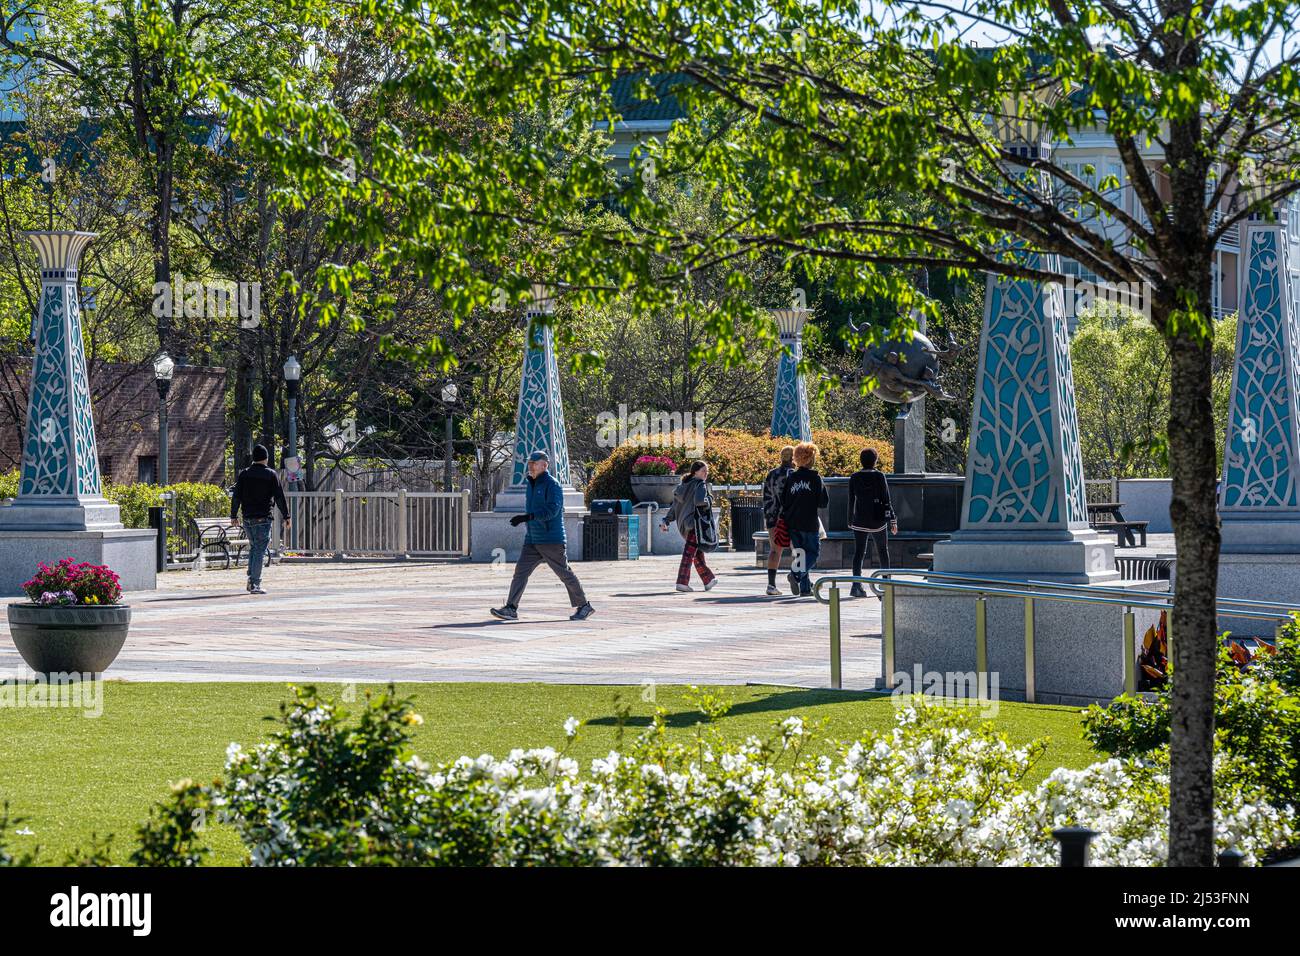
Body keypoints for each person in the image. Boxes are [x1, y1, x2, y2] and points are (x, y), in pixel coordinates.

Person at [491, 451, 595, 621]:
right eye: (529, 463)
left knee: (564, 573)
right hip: (532, 538)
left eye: (534, 463)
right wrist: (528, 521)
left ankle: (584, 606)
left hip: (550, 539)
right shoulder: (531, 484)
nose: (530, 466)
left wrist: (527, 517)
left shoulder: (552, 484)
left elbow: (552, 510)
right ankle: (511, 608)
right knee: (520, 572)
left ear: (545, 465)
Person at [229, 444, 290, 595]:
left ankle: (251, 575)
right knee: (259, 550)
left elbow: (236, 496)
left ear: (254, 458)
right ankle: (254, 582)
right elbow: (279, 497)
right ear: (266, 458)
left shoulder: (244, 474)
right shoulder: (270, 474)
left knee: (254, 546)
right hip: (263, 518)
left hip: (247, 518)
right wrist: (286, 515)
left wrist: (233, 515)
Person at [660, 460, 718, 592]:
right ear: (695, 472)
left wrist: (666, 520)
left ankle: (708, 580)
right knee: (688, 555)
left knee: (697, 553)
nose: (706, 474)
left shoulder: (683, 486)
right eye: (703, 471)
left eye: (707, 471)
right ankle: (682, 582)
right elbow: (700, 502)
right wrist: (710, 499)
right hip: (694, 525)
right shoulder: (700, 484)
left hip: (684, 525)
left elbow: (674, 508)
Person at [779, 441, 828, 597]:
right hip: (809, 522)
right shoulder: (815, 478)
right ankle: (795, 575)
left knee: (801, 555)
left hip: (793, 523)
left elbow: (784, 500)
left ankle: (805, 588)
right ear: (810, 459)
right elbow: (823, 502)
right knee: (813, 553)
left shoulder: (791, 477)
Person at [848, 448, 898, 598]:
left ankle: (856, 585)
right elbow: (886, 500)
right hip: (878, 520)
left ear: (861, 461)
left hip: (859, 519)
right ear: (875, 461)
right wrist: (893, 520)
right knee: (883, 551)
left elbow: (851, 500)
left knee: (859, 552)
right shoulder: (879, 476)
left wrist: (849, 520)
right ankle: (885, 583)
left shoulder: (854, 477)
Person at [761, 446, 796, 595]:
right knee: (798, 549)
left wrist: (769, 516)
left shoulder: (771, 474)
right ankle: (798, 578)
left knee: (775, 550)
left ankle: (771, 584)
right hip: (790, 518)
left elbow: (766, 496)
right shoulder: (793, 474)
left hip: (772, 517)